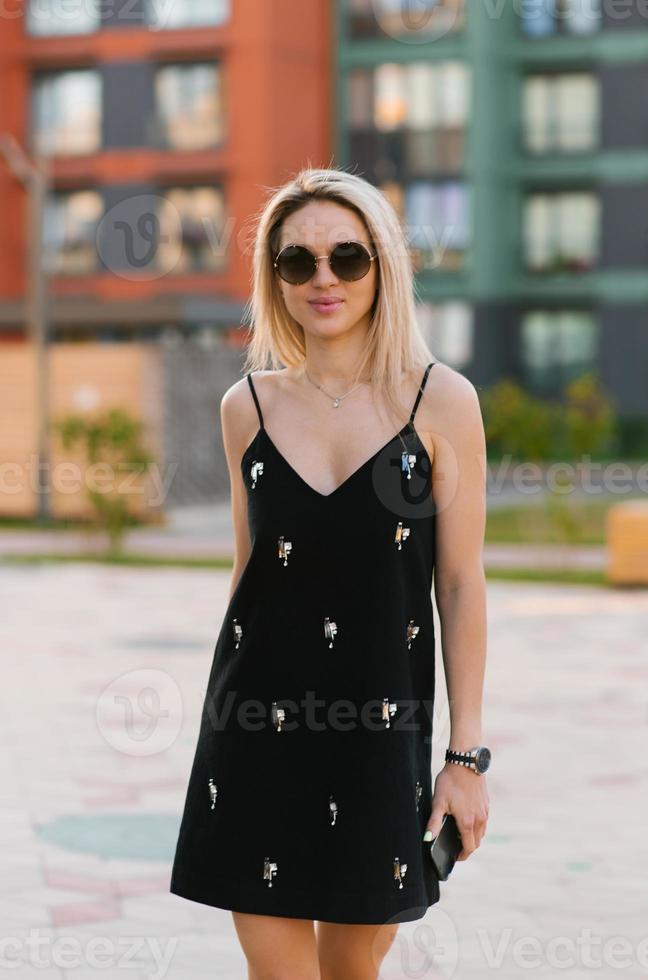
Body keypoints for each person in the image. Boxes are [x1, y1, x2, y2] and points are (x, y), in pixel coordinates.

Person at [170, 167, 490, 980]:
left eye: (347, 258)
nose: (323, 279)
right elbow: (250, 574)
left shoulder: (442, 402)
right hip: (253, 731)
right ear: (272, 278)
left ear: (383, 266)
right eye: (297, 261)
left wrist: (465, 758)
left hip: (378, 735)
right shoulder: (244, 406)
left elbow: (458, 584)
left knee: (352, 970)